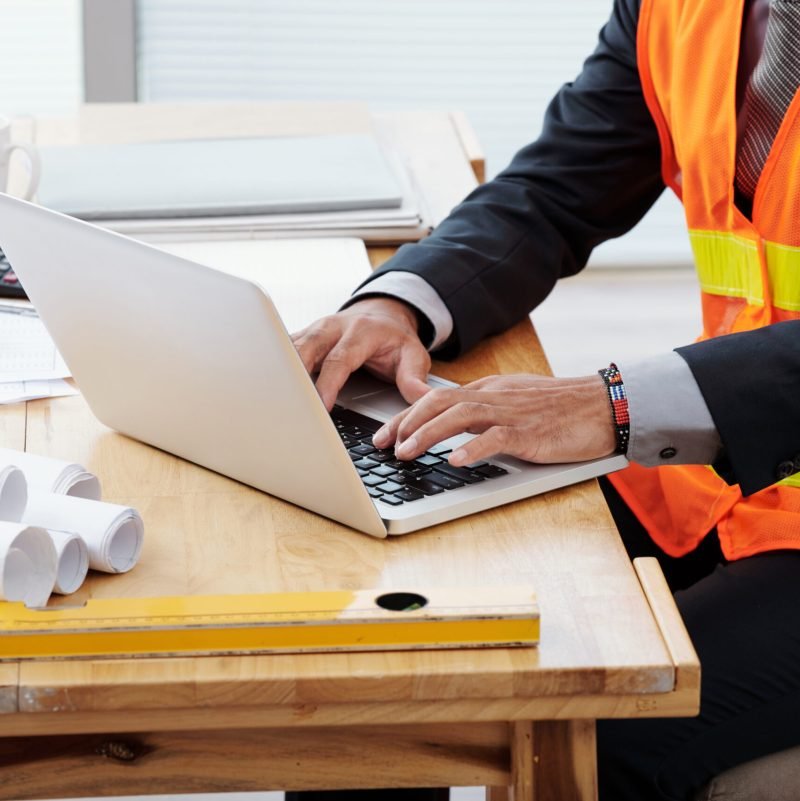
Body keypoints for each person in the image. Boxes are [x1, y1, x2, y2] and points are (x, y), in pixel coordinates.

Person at [288, 0, 800, 798]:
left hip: (755, 463)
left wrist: (612, 404)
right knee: (385, 638)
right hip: (730, 471)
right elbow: (558, 188)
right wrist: (398, 304)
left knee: (587, 716)